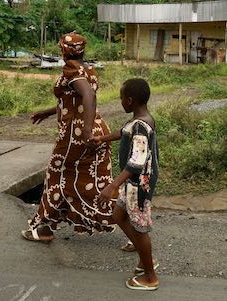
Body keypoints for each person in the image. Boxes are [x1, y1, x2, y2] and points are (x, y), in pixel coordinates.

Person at [21, 32, 118, 241]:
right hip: (98, 130)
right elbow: (74, 102)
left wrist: (85, 130)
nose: (61, 51)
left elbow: (88, 96)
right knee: (93, 182)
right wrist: (46, 113)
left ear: (66, 50)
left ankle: (44, 228)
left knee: (56, 176)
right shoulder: (88, 69)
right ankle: (133, 226)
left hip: (76, 135)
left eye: (61, 48)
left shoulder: (72, 69)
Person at [92, 78, 159, 291]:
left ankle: (150, 276)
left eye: (121, 98)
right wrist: (102, 139)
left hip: (138, 184)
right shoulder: (138, 119)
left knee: (139, 229)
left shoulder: (140, 125)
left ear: (129, 101)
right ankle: (144, 258)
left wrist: (112, 185)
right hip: (132, 182)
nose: (120, 102)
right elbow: (122, 133)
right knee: (119, 216)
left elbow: (137, 161)